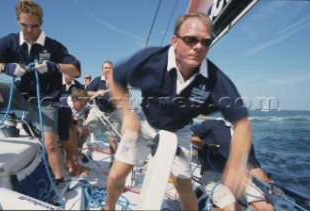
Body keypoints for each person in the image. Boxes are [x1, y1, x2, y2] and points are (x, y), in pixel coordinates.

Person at [105, 12, 252, 210]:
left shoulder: (214, 79)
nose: (198, 47)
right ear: (175, 40)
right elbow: (116, 79)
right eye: (191, 39)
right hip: (144, 123)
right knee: (117, 174)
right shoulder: (151, 61)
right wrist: (128, 114)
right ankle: (109, 208)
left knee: (183, 184)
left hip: (179, 131)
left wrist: (237, 162)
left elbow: (241, 122)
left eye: (205, 42)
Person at [0, 0, 81, 203]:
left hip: (46, 100)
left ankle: (59, 182)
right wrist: (6, 68)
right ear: (17, 21)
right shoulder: (8, 42)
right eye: (25, 25)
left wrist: (55, 66)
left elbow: (76, 69)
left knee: (50, 144)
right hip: (20, 95)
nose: (30, 29)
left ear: (41, 23)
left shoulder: (54, 46)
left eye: (34, 25)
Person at [190, 119, 278, 210]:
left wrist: (268, 183)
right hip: (213, 176)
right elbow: (189, 134)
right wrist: (204, 146)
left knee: (268, 208)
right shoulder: (212, 125)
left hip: (238, 177)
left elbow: (254, 166)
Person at [86, 60, 121, 166]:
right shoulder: (97, 81)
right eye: (105, 68)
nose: (107, 70)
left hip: (112, 113)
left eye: (109, 68)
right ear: (102, 70)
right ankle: (84, 152)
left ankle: (112, 161)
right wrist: (97, 92)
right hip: (97, 111)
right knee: (86, 131)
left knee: (113, 139)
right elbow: (87, 92)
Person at [58, 88, 91, 176]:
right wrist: (80, 154)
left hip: (57, 120)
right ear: (75, 100)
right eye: (82, 105)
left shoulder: (68, 101)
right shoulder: (64, 109)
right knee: (68, 137)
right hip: (33, 125)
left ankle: (74, 163)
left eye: (85, 106)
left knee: (73, 129)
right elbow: (63, 141)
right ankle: (73, 168)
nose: (83, 108)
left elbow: (73, 125)